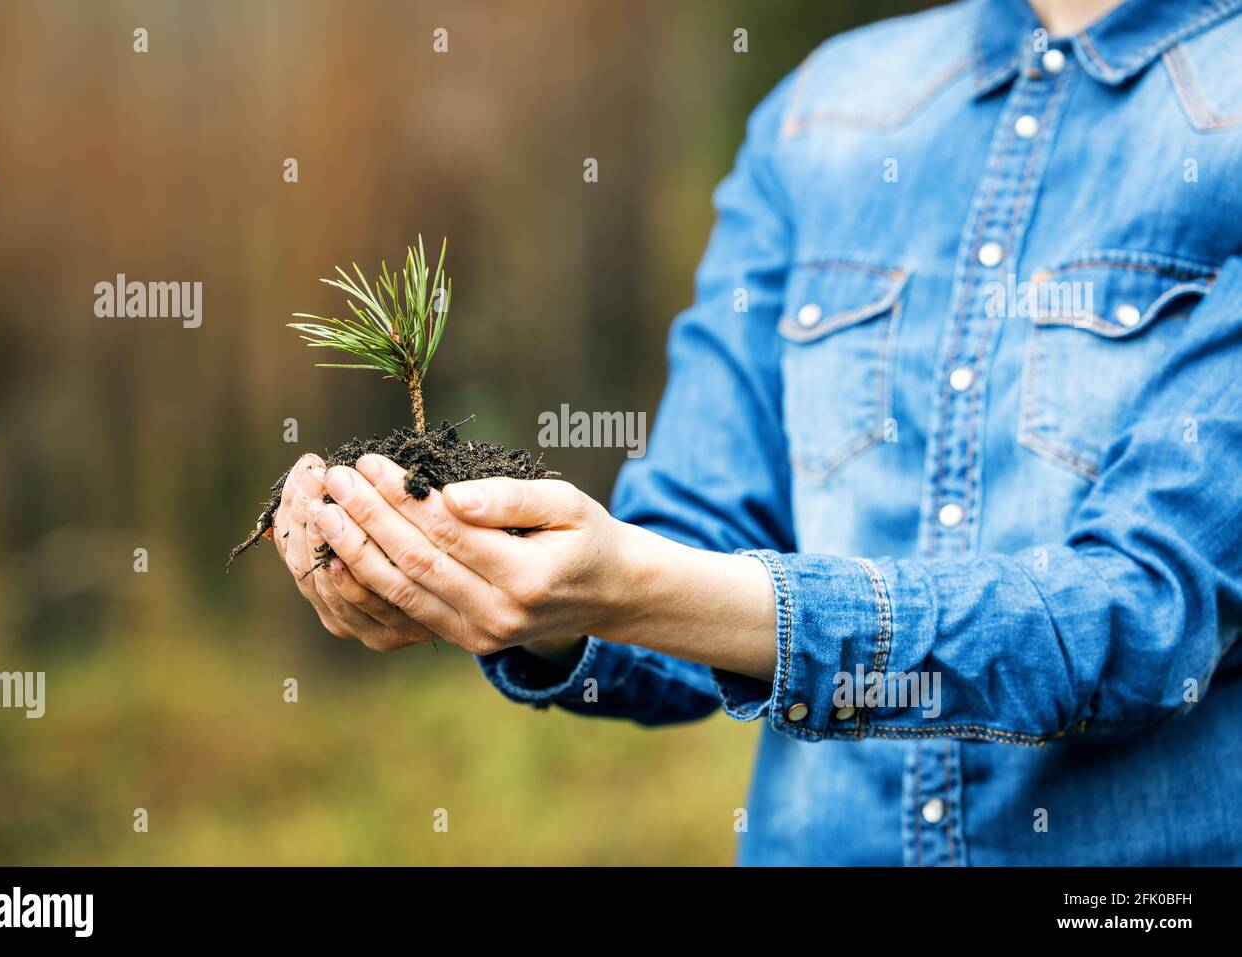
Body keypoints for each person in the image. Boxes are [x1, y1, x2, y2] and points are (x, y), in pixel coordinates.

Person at [270, 0, 1242, 865]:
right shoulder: (822, 113)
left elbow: (1148, 614)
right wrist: (514, 585)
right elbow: (691, 547)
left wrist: (636, 585)